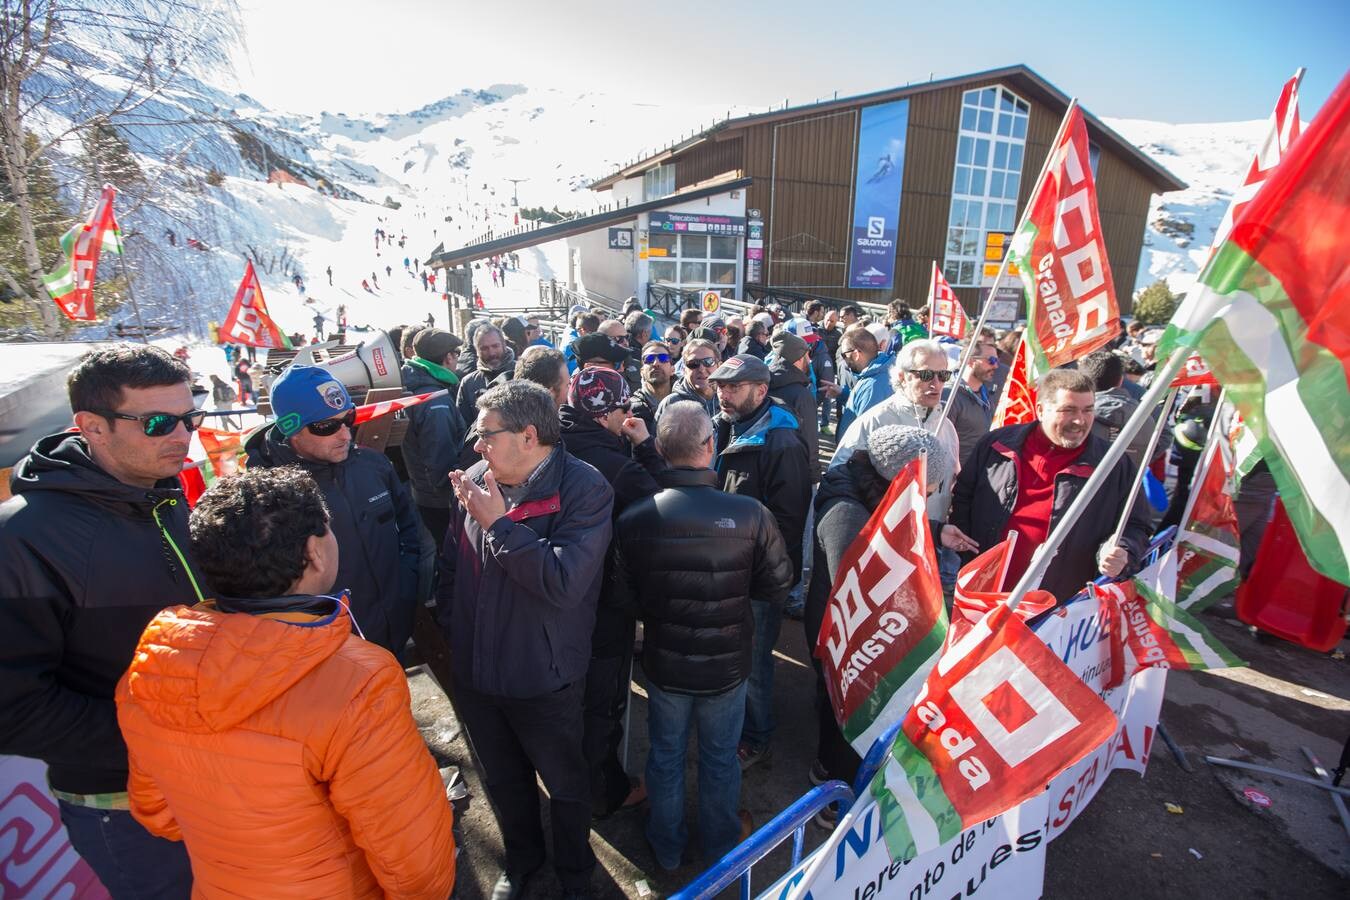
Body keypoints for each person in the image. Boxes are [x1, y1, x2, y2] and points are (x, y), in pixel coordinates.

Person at [115, 467, 456, 899]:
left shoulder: (150, 671)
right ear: (315, 552)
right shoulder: (357, 681)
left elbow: (157, 813)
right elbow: (415, 860)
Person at [0, 345, 202, 895]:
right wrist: (156, 740)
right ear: (91, 426)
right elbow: (12, 707)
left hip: (206, 775)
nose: (182, 435)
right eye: (159, 421)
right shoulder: (21, 538)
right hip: (123, 803)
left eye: (191, 415)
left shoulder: (163, 495)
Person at [437, 381, 614, 900]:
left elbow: (562, 583)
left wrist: (499, 525)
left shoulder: (586, 489)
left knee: (565, 784)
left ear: (529, 435)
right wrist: (456, 627)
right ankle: (522, 859)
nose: (476, 446)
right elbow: (450, 565)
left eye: (486, 434)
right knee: (503, 780)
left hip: (545, 675)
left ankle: (576, 873)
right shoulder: (474, 479)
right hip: (478, 671)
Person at [611, 403, 793, 870]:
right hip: (727, 663)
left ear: (662, 449)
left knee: (666, 755)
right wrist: (732, 590)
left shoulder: (635, 518)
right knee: (719, 757)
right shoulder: (750, 514)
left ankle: (667, 848)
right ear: (710, 447)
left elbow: (623, 596)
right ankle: (720, 845)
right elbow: (777, 585)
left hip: (665, 663)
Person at [806, 425, 954, 798]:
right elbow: (865, 584)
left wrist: (935, 534)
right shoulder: (846, 515)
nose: (929, 496)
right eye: (924, 488)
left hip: (850, 629)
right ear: (897, 482)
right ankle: (831, 784)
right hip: (845, 635)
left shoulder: (868, 494)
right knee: (841, 708)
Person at [244, 366, 428, 656]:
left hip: (392, 628)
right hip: (325, 651)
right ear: (291, 428)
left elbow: (409, 526)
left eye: (348, 419)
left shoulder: (373, 465)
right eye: (326, 426)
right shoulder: (266, 493)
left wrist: (407, 580)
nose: (344, 434)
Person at [944, 369, 1152, 603]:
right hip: (982, 593)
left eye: (1088, 410)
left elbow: (1136, 525)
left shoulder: (1113, 464)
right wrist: (967, 554)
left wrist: (1122, 550)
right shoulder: (997, 444)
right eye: (1068, 410)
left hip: (1056, 607)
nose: (1079, 421)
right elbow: (962, 497)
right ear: (1040, 410)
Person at [559, 367, 667, 818]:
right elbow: (663, 503)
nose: (628, 416)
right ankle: (605, 790)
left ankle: (571, 777)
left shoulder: (549, 443)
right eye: (623, 409)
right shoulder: (616, 466)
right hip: (604, 599)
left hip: (556, 595)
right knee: (603, 699)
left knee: (568, 695)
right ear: (605, 414)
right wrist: (645, 447)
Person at [707, 354, 812, 769]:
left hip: (756, 576)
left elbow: (786, 524)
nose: (723, 394)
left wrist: (763, 578)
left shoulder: (780, 441)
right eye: (720, 385)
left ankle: (756, 736)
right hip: (730, 569)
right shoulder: (727, 424)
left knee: (753, 661)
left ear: (762, 390)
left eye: (733, 387)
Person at [401, 329, 468, 545]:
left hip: (422, 491)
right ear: (448, 357)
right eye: (456, 353)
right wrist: (452, 496)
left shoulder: (416, 385)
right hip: (439, 500)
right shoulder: (435, 401)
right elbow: (440, 459)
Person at [1079, 349, 1152, 468]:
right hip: (1129, 482)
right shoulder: (1146, 416)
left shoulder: (1074, 416)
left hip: (1081, 482)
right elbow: (1163, 437)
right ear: (1120, 381)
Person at [766, 329, 820, 481]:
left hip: (766, 469)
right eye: (806, 355)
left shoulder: (762, 384)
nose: (809, 360)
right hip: (796, 475)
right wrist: (814, 477)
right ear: (797, 359)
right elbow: (810, 442)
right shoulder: (802, 395)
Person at [944, 332, 999, 469]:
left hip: (979, 474)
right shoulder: (950, 394)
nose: (996, 366)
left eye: (997, 360)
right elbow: (941, 442)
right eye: (991, 360)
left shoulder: (987, 392)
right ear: (970, 361)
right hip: (955, 479)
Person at [836, 325, 895, 437]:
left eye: (844, 355)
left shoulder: (873, 386)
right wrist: (843, 394)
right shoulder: (875, 375)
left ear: (856, 354)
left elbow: (864, 435)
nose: (844, 360)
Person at [457, 324, 517, 427]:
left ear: (504, 345)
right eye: (484, 348)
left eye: (495, 346)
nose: (491, 353)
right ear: (476, 351)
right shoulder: (468, 383)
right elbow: (462, 426)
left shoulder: (520, 373)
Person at [656, 338, 720, 422]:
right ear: (684, 369)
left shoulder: (728, 398)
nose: (701, 369)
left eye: (708, 361)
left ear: (719, 366)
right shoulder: (671, 404)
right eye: (693, 363)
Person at [631, 340, 675, 436]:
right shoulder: (632, 410)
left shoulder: (686, 401)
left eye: (663, 358)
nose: (656, 363)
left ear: (673, 369)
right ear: (641, 372)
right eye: (649, 359)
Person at [599, 318, 642, 391]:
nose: (625, 342)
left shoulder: (639, 365)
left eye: (626, 337)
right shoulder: (591, 370)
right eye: (619, 338)